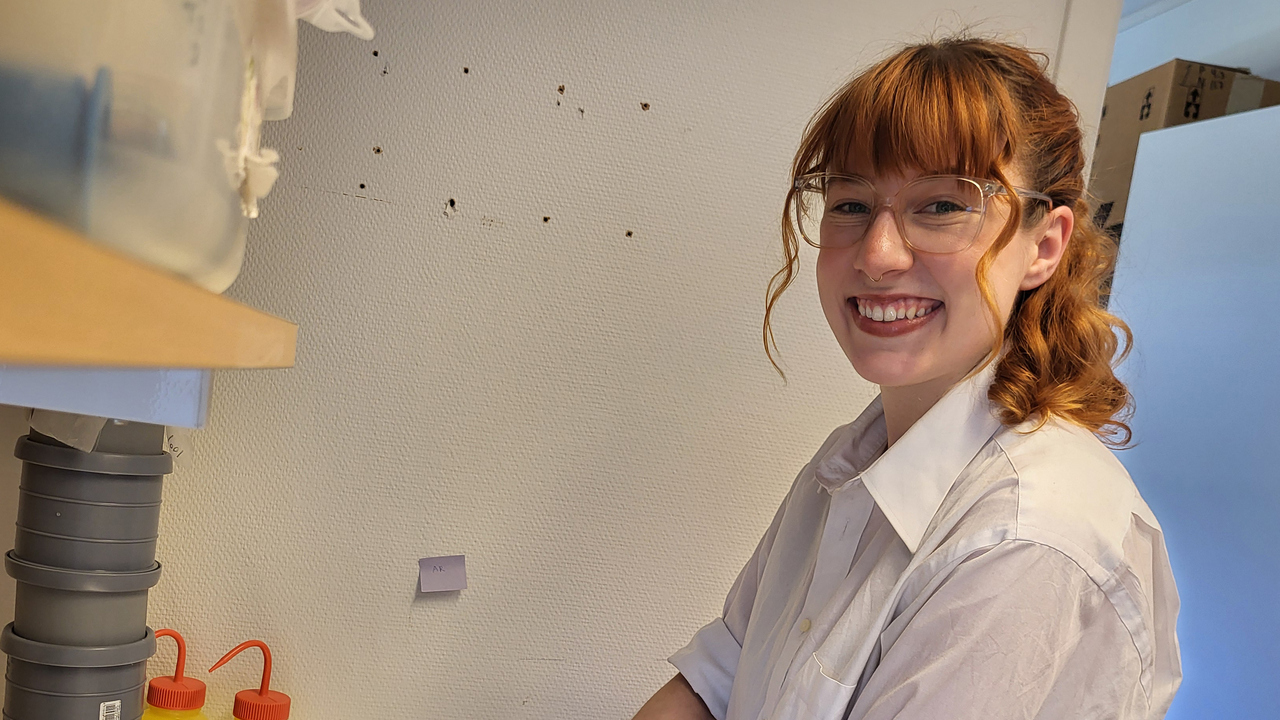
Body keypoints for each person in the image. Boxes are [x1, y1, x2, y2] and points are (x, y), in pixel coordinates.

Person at [631, 35, 1181, 720]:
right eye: (850, 203)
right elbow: (716, 681)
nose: (878, 254)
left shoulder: (1029, 539)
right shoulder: (847, 467)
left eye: (943, 206)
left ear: (1043, 245)